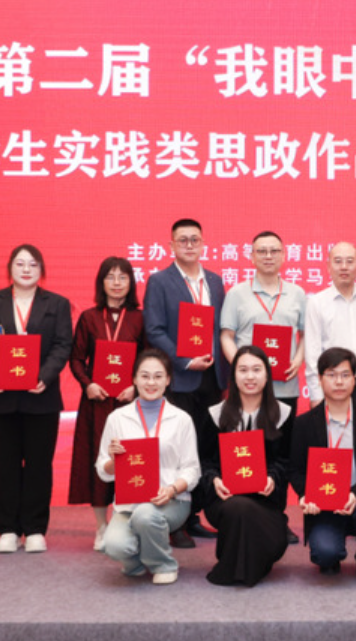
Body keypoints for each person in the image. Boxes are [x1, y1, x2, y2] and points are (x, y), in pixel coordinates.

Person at [0, 244, 73, 554]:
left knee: (39, 464)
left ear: (41, 270)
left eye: (33, 264)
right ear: (10, 268)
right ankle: (8, 529)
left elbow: (63, 345)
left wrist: (44, 376)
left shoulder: (57, 303)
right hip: (2, 397)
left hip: (42, 397)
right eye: (20, 263)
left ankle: (36, 528)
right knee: (6, 464)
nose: (26, 269)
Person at [143, 218, 227, 546]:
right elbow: (154, 329)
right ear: (171, 245)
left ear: (203, 243)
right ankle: (173, 520)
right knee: (177, 449)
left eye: (195, 240)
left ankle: (194, 515)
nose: (189, 245)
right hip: (180, 377)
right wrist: (184, 360)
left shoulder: (215, 282)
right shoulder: (159, 281)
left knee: (205, 447)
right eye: (183, 240)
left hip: (212, 377)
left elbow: (220, 329)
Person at [97, 350, 200, 584]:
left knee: (146, 515)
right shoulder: (117, 418)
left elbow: (192, 470)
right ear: (134, 379)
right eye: (144, 376)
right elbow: (103, 470)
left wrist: (172, 489)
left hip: (172, 501)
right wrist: (114, 461)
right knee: (113, 545)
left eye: (158, 376)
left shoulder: (181, 419)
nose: (151, 383)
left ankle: (163, 564)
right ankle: (137, 560)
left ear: (168, 380)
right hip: (129, 503)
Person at [291, 347, 356, 585]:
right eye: (331, 375)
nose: (339, 382)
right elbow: (294, 469)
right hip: (323, 505)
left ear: (354, 379)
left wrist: (355, 493)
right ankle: (333, 550)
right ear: (320, 379)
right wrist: (305, 494)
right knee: (325, 556)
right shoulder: (305, 423)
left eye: (345, 375)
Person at [196, 346, 293, 586]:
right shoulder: (215, 414)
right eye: (243, 370)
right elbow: (204, 460)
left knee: (273, 538)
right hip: (225, 498)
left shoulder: (283, 414)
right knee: (239, 507)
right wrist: (214, 480)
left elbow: (287, 460)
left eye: (256, 370)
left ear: (267, 375)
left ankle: (238, 560)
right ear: (233, 376)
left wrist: (272, 477)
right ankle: (243, 569)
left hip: (266, 500)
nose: (250, 376)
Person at [67, 256, 145, 552]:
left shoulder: (140, 318)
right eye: (110, 277)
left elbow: (148, 357)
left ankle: (130, 524)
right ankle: (101, 526)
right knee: (98, 459)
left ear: (131, 283)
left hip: (129, 404)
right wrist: (88, 384)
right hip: (97, 403)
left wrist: (136, 387)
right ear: (101, 282)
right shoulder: (89, 317)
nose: (116, 283)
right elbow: (76, 358)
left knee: (132, 461)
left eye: (122, 277)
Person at [220, 231, 306, 413]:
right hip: (247, 386)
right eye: (262, 251)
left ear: (283, 256)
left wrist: (298, 360)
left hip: (285, 385)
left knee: (284, 431)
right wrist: (242, 367)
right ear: (252, 257)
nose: (268, 256)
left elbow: (306, 334)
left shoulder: (297, 293)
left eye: (274, 251)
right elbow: (226, 336)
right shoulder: (236, 293)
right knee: (248, 432)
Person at [304, 242, 356, 409]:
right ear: (328, 266)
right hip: (332, 388)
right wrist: (316, 394)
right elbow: (312, 352)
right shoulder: (317, 303)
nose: (344, 267)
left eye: (350, 261)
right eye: (338, 261)